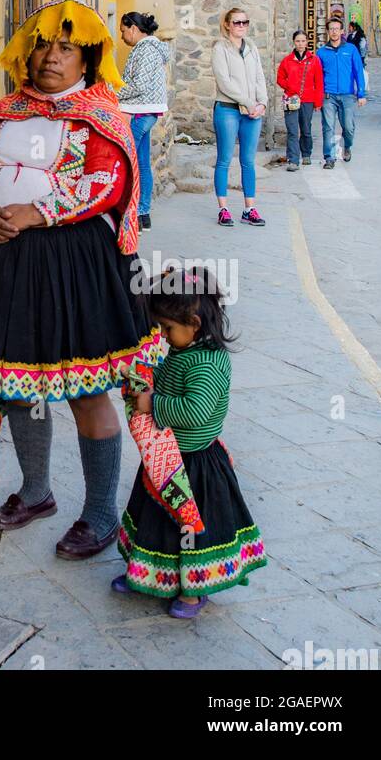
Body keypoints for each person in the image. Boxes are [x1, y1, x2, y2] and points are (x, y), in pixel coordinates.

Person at [0, 0, 162, 559]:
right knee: (18, 384)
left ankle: (99, 513)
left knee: (87, 391)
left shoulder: (99, 116)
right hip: (1, 258)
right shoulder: (2, 113)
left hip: (76, 265)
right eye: (43, 44)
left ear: (88, 59)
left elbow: (107, 183)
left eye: (66, 47)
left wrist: (36, 212)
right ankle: (37, 490)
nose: (51, 57)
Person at [112, 264, 266, 618]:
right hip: (167, 458)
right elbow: (169, 374)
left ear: (194, 324)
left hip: (195, 466)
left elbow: (195, 412)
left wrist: (152, 403)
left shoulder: (208, 365)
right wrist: (147, 376)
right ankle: (145, 574)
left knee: (189, 531)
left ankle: (193, 590)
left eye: (167, 328)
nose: (163, 335)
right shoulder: (187, 352)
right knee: (154, 519)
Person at [210, 6, 268, 227]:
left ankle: (249, 208)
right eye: (237, 22)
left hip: (252, 111)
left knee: (248, 161)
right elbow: (224, 82)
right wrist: (248, 102)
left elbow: (259, 77)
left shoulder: (251, 47)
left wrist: (262, 103)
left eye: (245, 22)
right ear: (227, 24)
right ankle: (223, 209)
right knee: (224, 160)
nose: (241, 26)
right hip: (228, 109)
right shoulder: (220, 48)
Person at [118, 11, 171, 231]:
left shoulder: (147, 49)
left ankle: (134, 213)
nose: (122, 37)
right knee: (141, 164)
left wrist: (112, 93)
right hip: (144, 112)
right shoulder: (148, 48)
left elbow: (138, 86)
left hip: (140, 113)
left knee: (130, 165)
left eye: (123, 31)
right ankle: (142, 214)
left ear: (132, 28)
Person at [318, 15, 367, 167]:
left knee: (349, 127)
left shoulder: (351, 50)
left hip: (347, 95)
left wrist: (361, 94)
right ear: (327, 32)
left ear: (342, 31)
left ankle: (347, 146)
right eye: (331, 29)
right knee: (328, 127)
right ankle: (329, 158)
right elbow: (317, 77)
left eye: (336, 29)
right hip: (328, 95)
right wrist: (317, 98)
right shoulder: (321, 52)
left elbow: (359, 71)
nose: (334, 32)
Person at [276, 30, 324, 171]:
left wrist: (318, 102)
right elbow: (280, 78)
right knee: (292, 130)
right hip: (291, 100)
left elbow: (319, 82)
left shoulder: (314, 60)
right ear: (294, 42)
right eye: (298, 41)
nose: (301, 44)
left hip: (308, 99)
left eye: (303, 41)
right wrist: (289, 87)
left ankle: (306, 153)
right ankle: (293, 160)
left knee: (306, 129)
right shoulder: (287, 61)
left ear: (307, 42)